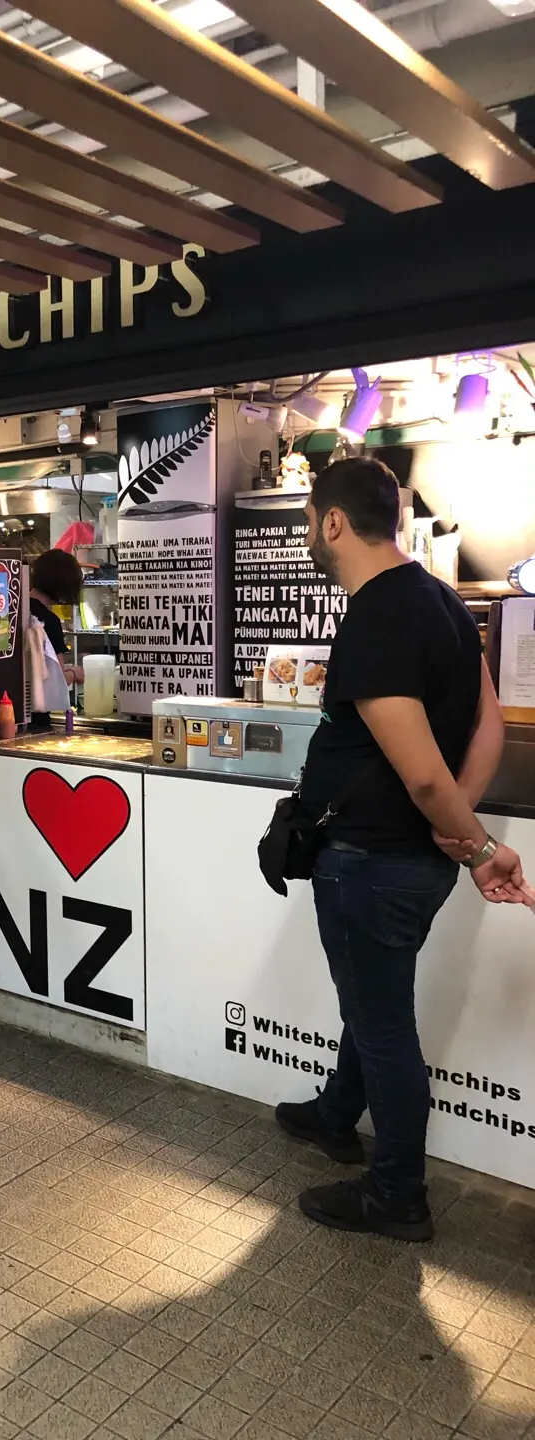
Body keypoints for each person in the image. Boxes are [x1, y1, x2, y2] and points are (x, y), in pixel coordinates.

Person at [276, 456, 526, 1242]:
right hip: (412, 863)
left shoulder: (376, 617)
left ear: (333, 522)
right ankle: (334, 1114)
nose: (310, 534)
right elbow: (487, 728)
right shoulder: (443, 602)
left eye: (309, 521)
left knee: (383, 1025)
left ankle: (397, 1195)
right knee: (373, 999)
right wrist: (456, 828)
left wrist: (471, 842)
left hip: (370, 863)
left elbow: (421, 775)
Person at [29, 549, 85, 730]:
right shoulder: (48, 620)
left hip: (8, 711)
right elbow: (57, 681)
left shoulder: (16, 608)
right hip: (36, 718)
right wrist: (75, 674)